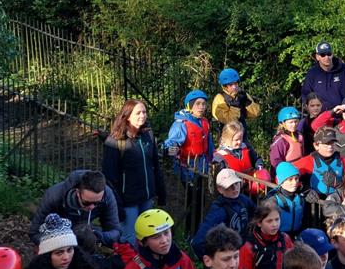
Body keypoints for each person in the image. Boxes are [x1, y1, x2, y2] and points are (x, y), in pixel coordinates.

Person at [102, 99, 166, 244]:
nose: (142, 116)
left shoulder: (148, 136)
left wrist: (161, 192)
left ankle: (145, 266)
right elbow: (109, 177)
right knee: (130, 239)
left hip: (147, 197)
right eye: (138, 113)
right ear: (127, 116)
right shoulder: (115, 142)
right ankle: (129, 266)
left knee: (147, 237)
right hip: (128, 201)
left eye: (144, 112)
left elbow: (155, 165)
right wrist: (117, 205)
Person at [164, 90, 214, 238]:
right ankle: (189, 233)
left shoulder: (204, 122)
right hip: (187, 167)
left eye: (204, 104)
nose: (201, 107)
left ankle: (195, 231)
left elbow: (209, 145)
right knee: (193, 200)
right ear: (190, 106)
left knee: (200, 200)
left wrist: (213, 160)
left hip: (202, 165)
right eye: (197, 104)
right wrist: (169, 149)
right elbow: (171, 142)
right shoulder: (181, 124)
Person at [29, 170, 121, 249]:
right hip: (58, 240)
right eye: (86, 203)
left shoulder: (107, 196)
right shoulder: (54, 196)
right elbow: (35, 232)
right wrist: (60, 243)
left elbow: (115, 232)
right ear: (77, 193)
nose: (92, 207)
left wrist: (97, 236)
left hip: (86, 235)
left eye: (97, 203)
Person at [191, 169, 256, 258]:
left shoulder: (243, 199)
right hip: (228, 256)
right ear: (220, 189)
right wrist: (213, 260)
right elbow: (197, 242)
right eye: (229, 186)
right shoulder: (219, 210)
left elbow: (257, 214)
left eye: (236, 183)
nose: (234, 188)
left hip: (244, 252)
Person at [239, 199, 294, 269]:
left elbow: (294, 265)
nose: (275, 224)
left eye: (277, 219)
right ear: (259, 223)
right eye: (269, 221)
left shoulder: (285, 239)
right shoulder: (249, 246)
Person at [211, 120, 268, 198]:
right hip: (234, 190)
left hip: (252, 187)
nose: (239, 142)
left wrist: (259, 167)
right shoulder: (220, 156)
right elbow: (220, 178)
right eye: (236, 140)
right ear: (227, 138)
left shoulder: (245, 147)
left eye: (241, 138)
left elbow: (256, 159)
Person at [211, 68, 261, 142]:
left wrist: (247, 102)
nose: (234, 87)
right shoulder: (220, 99)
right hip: (227, 135)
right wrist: (235, 106)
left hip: (242, 133)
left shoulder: (242, 95)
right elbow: (228, 121)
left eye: (235, 83)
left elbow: (255, 113)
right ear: (224, 86)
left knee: (250, 153)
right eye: (230, 85)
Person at [301, 41, 345, 112]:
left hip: (341, 115)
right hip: (320, 116)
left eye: (329, 54)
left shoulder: (344, 69)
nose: (327, 57)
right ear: (317, 57)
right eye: (323, 55)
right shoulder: (312, 73)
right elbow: (305, 95)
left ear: (332, 54)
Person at [266, 161, 306, 237]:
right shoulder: (273, 200)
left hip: (296, 235)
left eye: (296, 178)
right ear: (281, 182)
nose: (294, 182)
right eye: (290, 179)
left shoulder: (300, 198)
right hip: (278, 236)